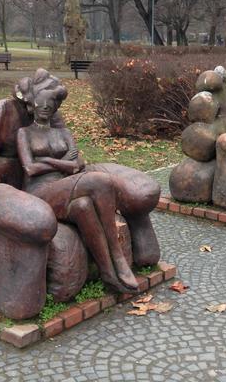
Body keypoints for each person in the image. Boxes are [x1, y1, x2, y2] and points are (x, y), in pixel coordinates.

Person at [15, 70, 140, 293]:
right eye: (41, 101)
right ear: (32, 104)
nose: (46, 106)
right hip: (40, 192)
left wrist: (47, 161)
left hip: (65, 188)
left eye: (51, 102)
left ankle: (108, 273)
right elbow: (30, 168)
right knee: (101, 181)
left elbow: (78, 164)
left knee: (83, 206)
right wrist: (61, 162)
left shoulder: (63, 133)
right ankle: (117, 254)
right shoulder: (24, 133)